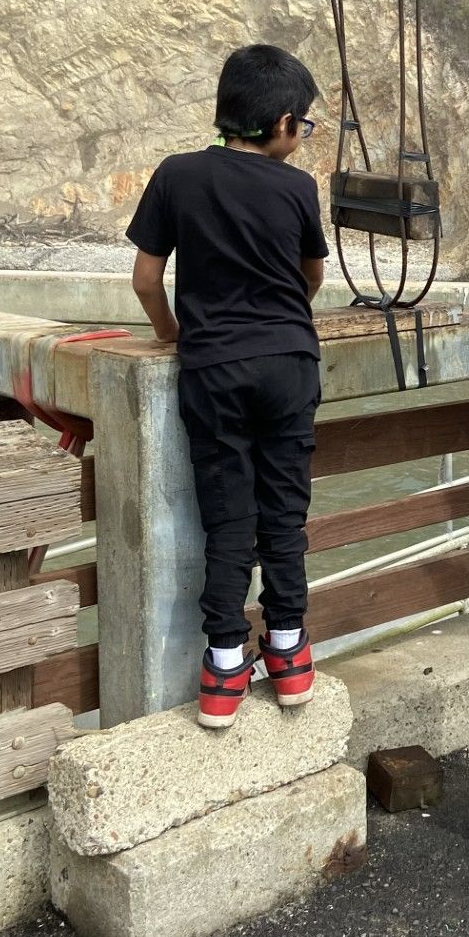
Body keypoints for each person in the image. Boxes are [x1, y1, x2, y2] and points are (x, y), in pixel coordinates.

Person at [126, 43, 329, 730]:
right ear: (279, 122)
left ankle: (222, 668)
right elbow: (311, 279)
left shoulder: (177, 176)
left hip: (213, 370)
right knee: (284, 514)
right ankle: (289, 656)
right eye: (304, 124)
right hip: (290, 363)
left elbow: (148, 280)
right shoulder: (298, 189)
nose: (301, 136)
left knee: (227, 520)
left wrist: (174, 333)